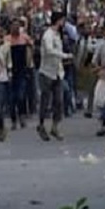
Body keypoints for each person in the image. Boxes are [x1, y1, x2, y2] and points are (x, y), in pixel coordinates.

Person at [37, 12, 73, 142]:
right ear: (58, 21)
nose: (64, 23)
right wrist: (65, 55)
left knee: (59, 101)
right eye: (63, 20)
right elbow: (49, 50)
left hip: (57, 72)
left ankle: (54, 127)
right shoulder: (48, 35)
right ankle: (41, 125)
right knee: (45, 101)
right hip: (46, 72)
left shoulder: (58, 35)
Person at [6, 18, 32, 129]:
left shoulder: (24, 38)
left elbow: (30, 50)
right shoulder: (7, 39)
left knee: (21, 95)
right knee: (11, 97)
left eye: (17, 26)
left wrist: (29, 66)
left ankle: (22, 116)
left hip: (22, 70)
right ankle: (13, 120)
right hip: (10, 70)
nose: (15, 28)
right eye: (13, 26)